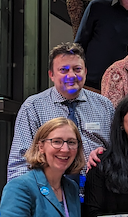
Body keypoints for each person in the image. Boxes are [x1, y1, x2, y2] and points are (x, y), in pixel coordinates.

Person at [7, 42, 114, 183]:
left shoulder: (104, 105)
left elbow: (120, 152)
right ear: (51, 74)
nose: (71, 75)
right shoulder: (33, 107)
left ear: (85, 72)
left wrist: (104, 154)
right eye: (63, 70)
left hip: (99, 191)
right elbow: (20, 163)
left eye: (77, 69)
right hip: (51, 192)